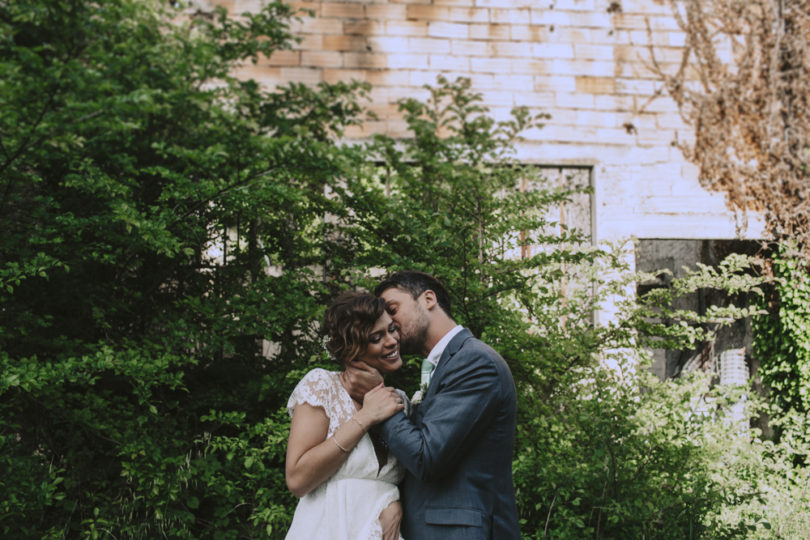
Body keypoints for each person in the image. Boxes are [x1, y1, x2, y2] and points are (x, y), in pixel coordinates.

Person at [371, 270, 521, 540]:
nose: (389, 325)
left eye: (392, 309)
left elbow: (426, 457)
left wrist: (381, 407)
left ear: (428, 299)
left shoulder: (475, 362)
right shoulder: (445, 365)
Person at [285, 292, 408, 540]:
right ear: (352, 349)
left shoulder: (400, 401)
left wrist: (396, 505)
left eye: (391, 329)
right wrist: (365, 418)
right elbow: (297, 479)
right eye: (377, 337)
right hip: (327, 529)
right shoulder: (322, 385)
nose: (392, 340)